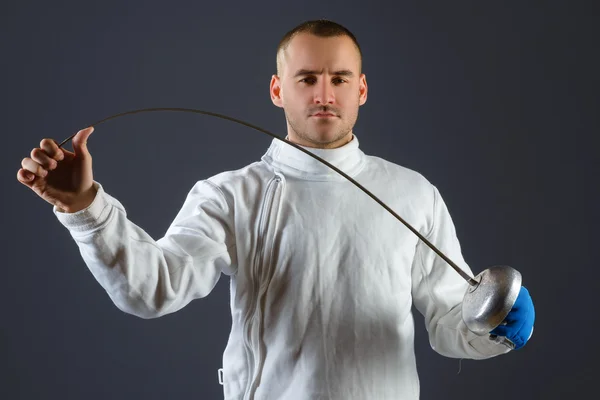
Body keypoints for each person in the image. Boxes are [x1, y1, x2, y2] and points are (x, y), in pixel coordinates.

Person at [17, 19, 535, 400]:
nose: (323, 94)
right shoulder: (230, 194)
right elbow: (151, 289)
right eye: (307, 78)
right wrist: (85, 206)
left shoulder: (413, 193)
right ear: (277, 89)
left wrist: (493, 325)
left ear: (362, 88)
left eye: (338, 78)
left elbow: (449, 321)